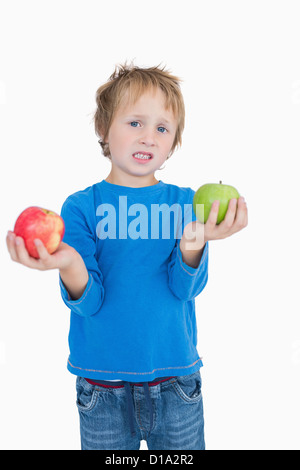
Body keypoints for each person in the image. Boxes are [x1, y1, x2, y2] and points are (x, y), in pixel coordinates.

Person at [6, 62, 248, 450]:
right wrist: (68, 262)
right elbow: (90, 302)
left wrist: (195, 241)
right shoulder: (81, 206)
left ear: (173, 143)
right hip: (102, 387)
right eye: (135, 123)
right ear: (103, 129)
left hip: (177, 382)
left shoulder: (187, 204)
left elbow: (184, 289)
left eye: (162, 128)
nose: (148, 137)